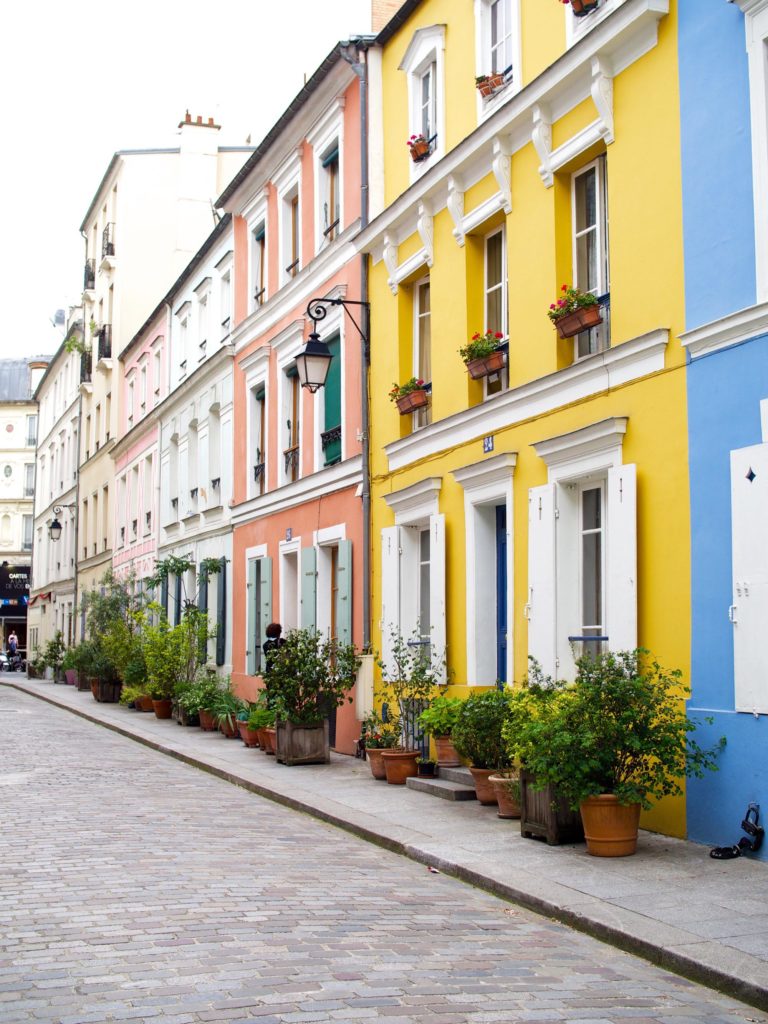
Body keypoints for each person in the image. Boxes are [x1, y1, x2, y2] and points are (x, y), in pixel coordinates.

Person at [261, 623, 285, 708]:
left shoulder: (265, 645)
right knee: (284, 697)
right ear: (278, 633)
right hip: (282, 674)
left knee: (271, 697)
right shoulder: (282, 642)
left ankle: (271, 715)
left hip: (270, 673)